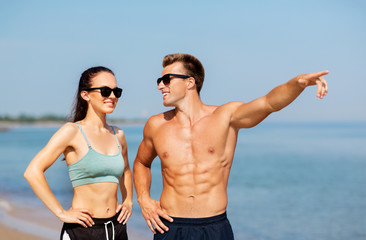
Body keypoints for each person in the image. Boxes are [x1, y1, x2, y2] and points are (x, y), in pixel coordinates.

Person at [133, 53, 329, 240]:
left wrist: (298, 83)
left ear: (189, 82)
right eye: (159, 81)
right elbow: (142, 162)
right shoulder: (156, 125)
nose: (160, 86)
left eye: (166, 80)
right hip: (170, 227)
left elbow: (268, 103)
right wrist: (144, 199)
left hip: (214, 227)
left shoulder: (225, 117)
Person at [24, 66, 133, 240]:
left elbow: (126, 170)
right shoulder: (72, 131)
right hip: (83, 230)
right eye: (105, 91)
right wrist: (61, 213)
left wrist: (128, 201)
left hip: (117, 228)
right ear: (85, 95)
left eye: (116, 91)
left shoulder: (118, 135)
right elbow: (32, 172)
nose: (112, 96)